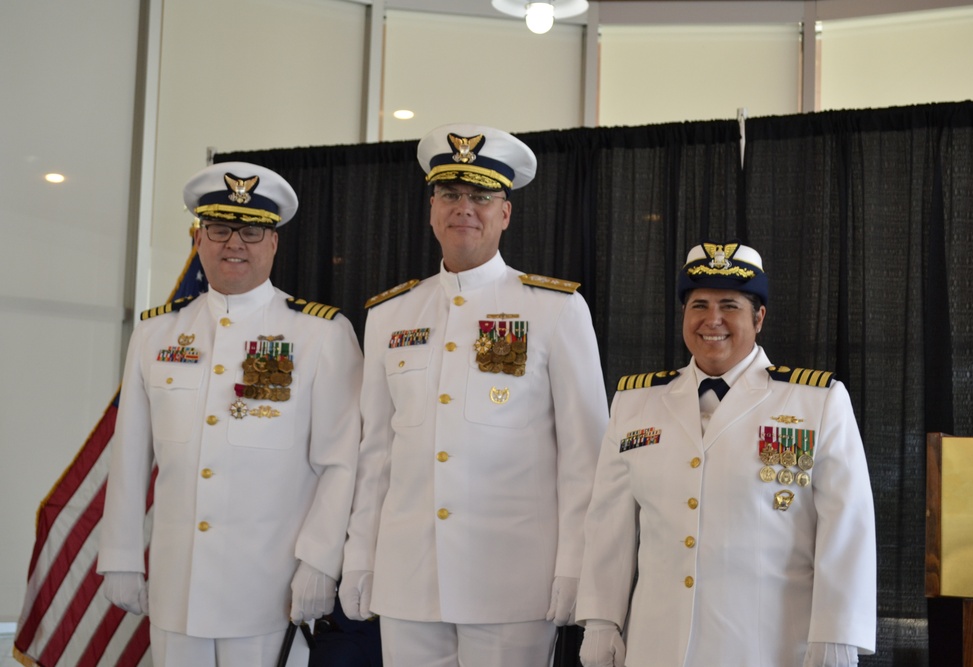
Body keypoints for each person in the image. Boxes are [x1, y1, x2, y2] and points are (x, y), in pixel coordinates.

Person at [338, 123, 609, 667]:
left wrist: (576, 565)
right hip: (409, 574)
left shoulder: (555, 310)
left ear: (505, 213)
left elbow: (586, 458)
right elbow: (376, 456)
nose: (465, 208)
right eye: (451, 194)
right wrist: (360, 554)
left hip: (512, 580)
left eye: (481, 196)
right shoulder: (390, 315)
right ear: (432, 208)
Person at [98, 161, 363, 667]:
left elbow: (342, 463)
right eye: (219, 229)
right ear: (198, 237)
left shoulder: (321, 335)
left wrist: (320, 562)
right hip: (179, 588)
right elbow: (130, 457)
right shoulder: (156, 335)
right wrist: (122, 557)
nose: (233, 243)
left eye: (251, 230)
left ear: (273, 243)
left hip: (270, 591)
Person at [575, 241, 877, 667]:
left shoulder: (815, 401)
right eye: (699, 304)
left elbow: (848, 526)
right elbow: (609, 524)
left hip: (767, 646)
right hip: (657, 645)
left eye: (729, 305)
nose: (711, 320)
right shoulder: (636, 402)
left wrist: (837, 635)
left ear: (759, 318)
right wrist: (601, 619)